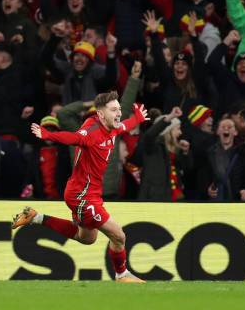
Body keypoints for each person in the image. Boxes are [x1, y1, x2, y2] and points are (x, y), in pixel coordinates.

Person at [11, 91, 149, 283]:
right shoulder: (92, 132)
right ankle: (122, 275)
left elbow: (124, 126)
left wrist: (137, 118)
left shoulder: (111, 127)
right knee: (119, 236)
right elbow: (73, 138)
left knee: (86, 238)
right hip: (82, 195)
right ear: (101, 114)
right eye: (113, 110)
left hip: (85, 191)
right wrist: (48, 134)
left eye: (118, 109)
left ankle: (36, 217)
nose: (118, 113)